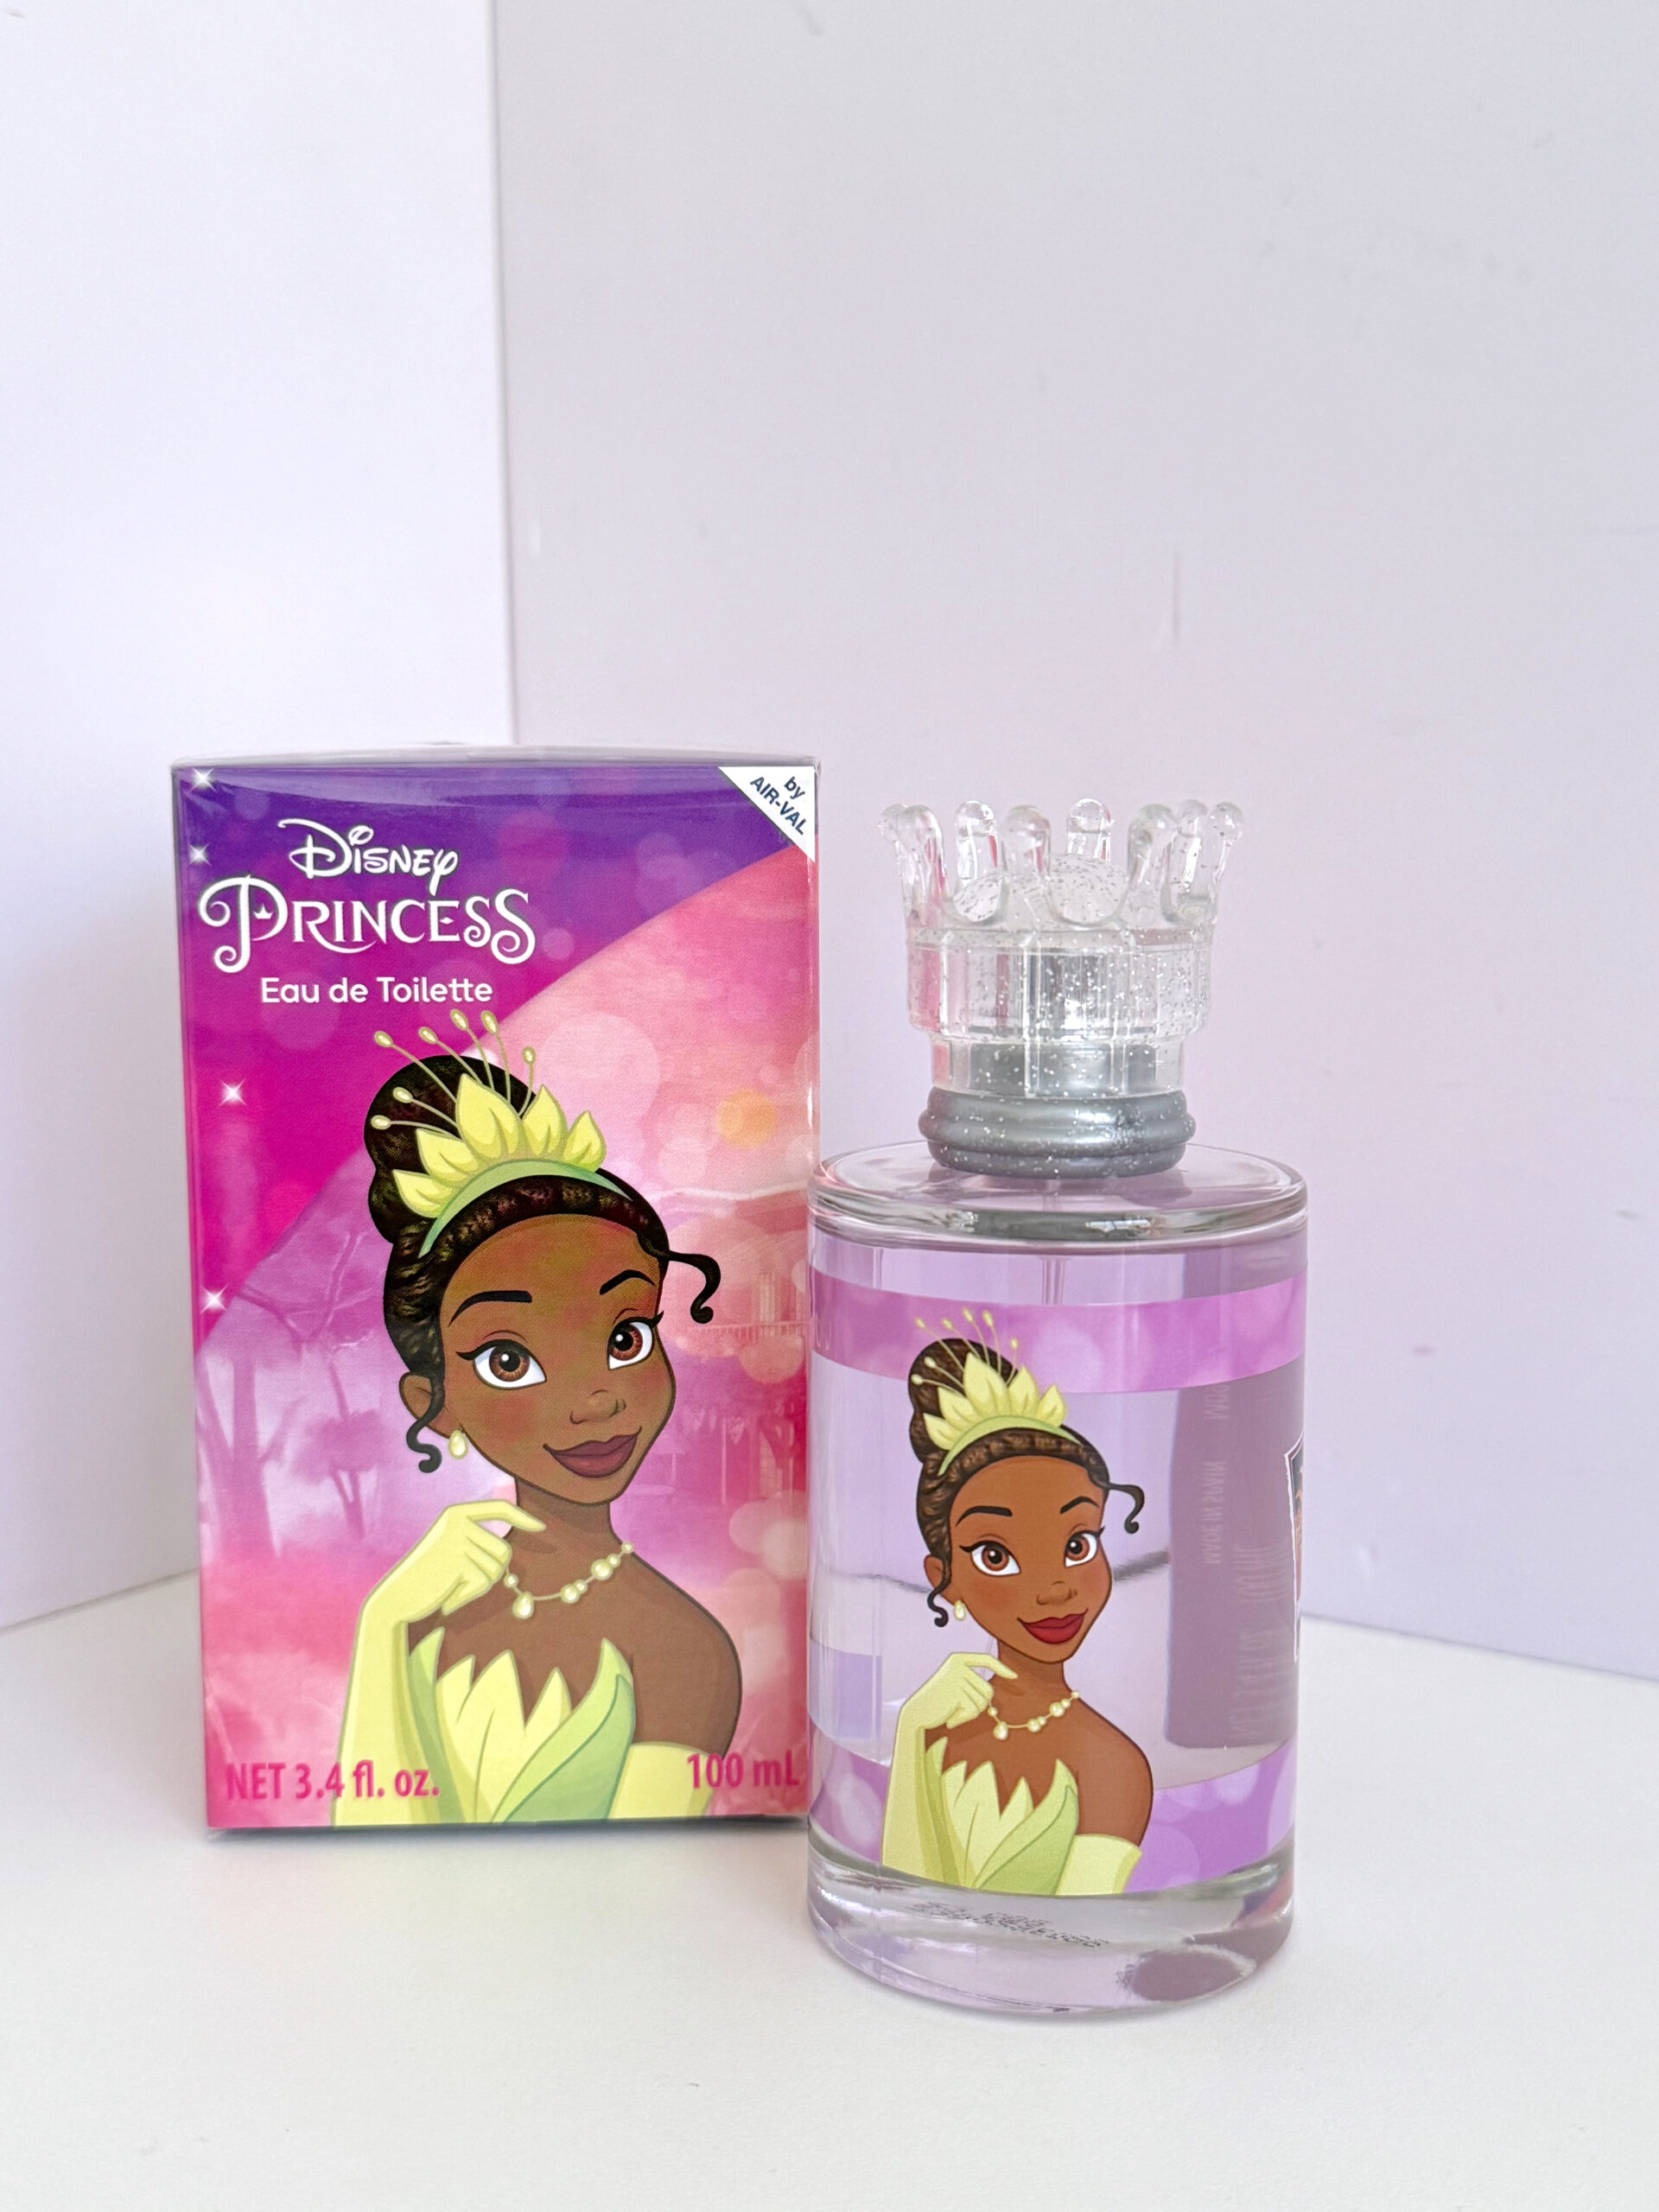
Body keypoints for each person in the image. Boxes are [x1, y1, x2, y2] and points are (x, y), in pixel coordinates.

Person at [334, 1018, 740, 1825]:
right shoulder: (419, 1612)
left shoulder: (683, 1647)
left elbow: (641, 1875)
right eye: (507, 1360)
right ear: (433, 1405)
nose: (594, 1400)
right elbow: (364, 1835)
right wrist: (383, 1628)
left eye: (626, 1338)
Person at [880, 1338, 1152, 1894]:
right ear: (944, 1579)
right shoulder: (934, 1730)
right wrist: (911, 1730)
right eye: (995, 1556)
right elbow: (896, 1892)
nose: (1054, 1590)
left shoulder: (1113, 1763)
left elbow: (1082, 1926)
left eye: (1077, 1545)